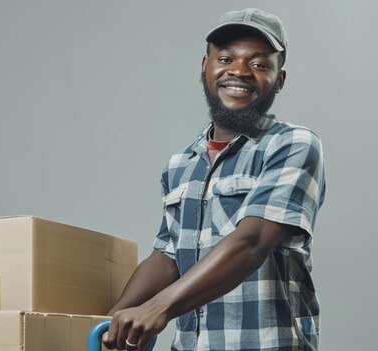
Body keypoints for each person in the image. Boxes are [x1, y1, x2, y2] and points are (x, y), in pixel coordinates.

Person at [103, 8, 326, 351]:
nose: (239, 71)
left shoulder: (292, 145)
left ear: (279, 80)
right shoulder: (180, 164)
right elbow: (167, 257)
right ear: (204, 66)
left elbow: (251, 242)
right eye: (225, 58)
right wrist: (111, 319)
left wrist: (159, 307)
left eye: (260, 63)